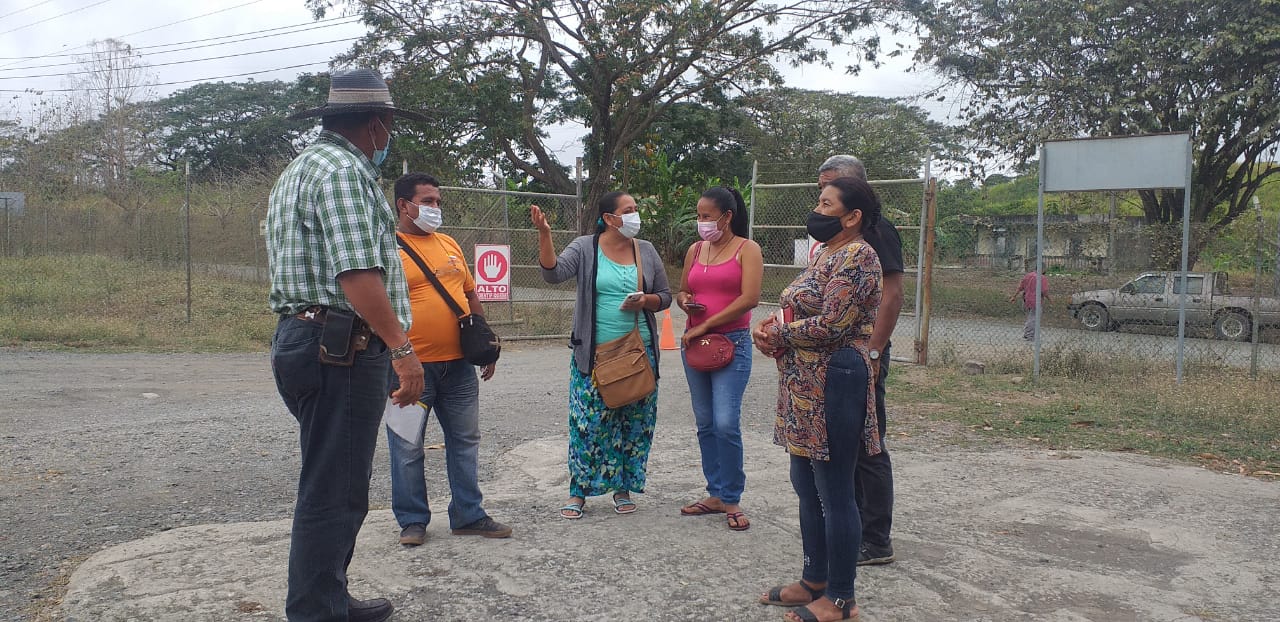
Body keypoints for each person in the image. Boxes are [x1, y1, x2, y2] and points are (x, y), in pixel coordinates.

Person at [266, 68, 425, 622]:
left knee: (330, 479)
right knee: (335, 489)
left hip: (307, 338)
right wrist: (402, 350)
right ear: (376, 124)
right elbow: (357, 274)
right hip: (340, 346)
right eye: (389, 127)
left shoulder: (301, 169)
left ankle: (325, 597)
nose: (388, 138)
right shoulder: (344, 173)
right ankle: (317, 609)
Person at [753, 176, 883, 622]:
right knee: (805, 483)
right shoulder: (826, 252)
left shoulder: (859, 256)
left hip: (835, 378)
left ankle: (842, 599)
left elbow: (833, 323)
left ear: (853, 216)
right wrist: (771, 329)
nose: (817, 210)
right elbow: (800, 308)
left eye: (826, 204)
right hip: (803, 381)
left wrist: (780, 334)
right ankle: (815, 581)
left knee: (834, 489)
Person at [386, 173, 511, 547]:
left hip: (458, 367)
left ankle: (468, 515)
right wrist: (398, 357)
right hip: (410, 369)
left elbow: (470, 295)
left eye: (438, 202)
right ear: (403, 205)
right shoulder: (387, 249)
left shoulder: (449, 244)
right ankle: (412, 521)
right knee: (406, 446)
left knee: (465, 441)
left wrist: (486, 344)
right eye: (427, 201)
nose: (435, 208)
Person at [530, 193, 672, 519]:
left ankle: (623, 488)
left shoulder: (646, 250)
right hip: (593, 356)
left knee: (634, 423)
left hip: (639, 353)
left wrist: (645, 301)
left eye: (636, 209)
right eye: (628, 210)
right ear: (609, 218)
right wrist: (545, 234)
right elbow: (553, 274)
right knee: (588, 425)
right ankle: (579, 491)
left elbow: (665, 296)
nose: (635, 215)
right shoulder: (585, 247)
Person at [818, 155, 903, 567]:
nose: (821, 200)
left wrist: (874, 350)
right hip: (836, 353)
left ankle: (875, 539)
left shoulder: (876, 231)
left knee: (869, 444)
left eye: (829, 190)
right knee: (842, 442)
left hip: (863, 353)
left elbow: (893, 294)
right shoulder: (835, 238)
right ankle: (848, 528)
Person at [674, 186, 763, 531]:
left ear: (726, 217)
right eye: (699, 216)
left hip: (731, 343)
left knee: (726, 422)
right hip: (695, 344)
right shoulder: (696, 250)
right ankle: (715, 493)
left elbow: (750, 298)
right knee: (706, 422)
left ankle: (732, 497)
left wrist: (707, 324)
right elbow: (683, 289)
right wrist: (685, 302)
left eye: (707, 216)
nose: (701, 222)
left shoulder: (747, 249)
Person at [1010, 266, 1050, 340]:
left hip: (1026, 299)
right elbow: (1044, 291)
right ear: (1043, 269)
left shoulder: (1028, 275)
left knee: (1030, 317)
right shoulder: (1042, 278)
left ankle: (1027, 333)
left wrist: (1014, 296)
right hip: (1036, 301)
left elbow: (1020, 287)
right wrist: (1050, 299)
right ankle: (1029, 334)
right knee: (1034, 318)